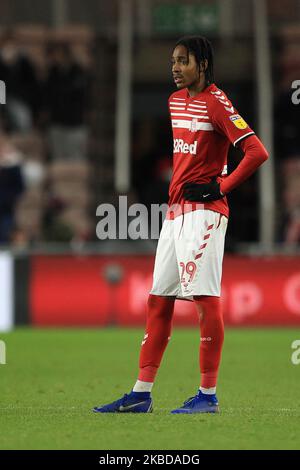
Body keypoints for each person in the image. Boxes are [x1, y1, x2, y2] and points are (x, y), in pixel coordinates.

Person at [93, 36, 269, 414]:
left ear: (202, 64)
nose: (174, 67)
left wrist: (219, 186)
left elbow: (257, 152)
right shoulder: (174, 102)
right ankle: (141, 393)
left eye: (183, 61)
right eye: (172, 61)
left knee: (205, 300)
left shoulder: (218, 103)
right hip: (174, 214)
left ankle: (207, 396)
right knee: (158, 301)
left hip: (205, 214)